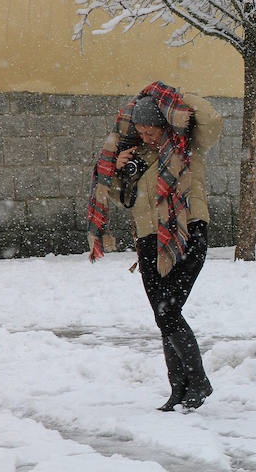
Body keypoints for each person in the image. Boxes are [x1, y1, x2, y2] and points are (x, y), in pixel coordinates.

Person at [87, 82, 223, 411]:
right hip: (149, 241)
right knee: (162, 316)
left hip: (186, 233)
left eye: (151, 130)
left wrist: (167, 99)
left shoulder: (187, 146)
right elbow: (124, 199)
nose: (146, 137)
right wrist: (119, 171)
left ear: (164, 123)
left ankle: (199, 382)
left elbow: (212, 118)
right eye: (142, 131)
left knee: (168, 311)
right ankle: (179, 390)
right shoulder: (139, 156)